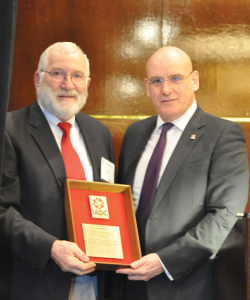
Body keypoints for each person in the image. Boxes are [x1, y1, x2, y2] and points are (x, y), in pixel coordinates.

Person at [115, 46, 249, 300]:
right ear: (146, 86)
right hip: (128, 281)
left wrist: (164, 261)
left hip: (184, 285)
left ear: (194, 80)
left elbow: (225, 214)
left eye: (176, 78)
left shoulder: (222, 135)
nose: (165, 89)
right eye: (157, 81)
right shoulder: (134, 134)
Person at [0, 42, 115, 300]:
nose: (68, 83)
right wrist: (50, 248)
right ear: (37, 78)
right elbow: (2, 211)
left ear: (87, 82)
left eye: (77, 75)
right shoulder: (9, 130)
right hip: (35, 283)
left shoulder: (100, 134)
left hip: (93, 282)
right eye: (57, 73)